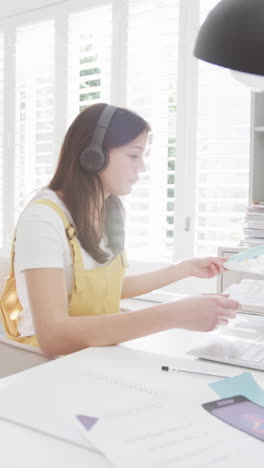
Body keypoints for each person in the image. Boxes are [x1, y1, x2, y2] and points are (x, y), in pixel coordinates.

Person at [0, 103, 239, 357]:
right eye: (134, 155)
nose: (142, 167)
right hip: (46, 364)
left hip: (93, 352)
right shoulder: (43, 219)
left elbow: (109, 287)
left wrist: (185, 268)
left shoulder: (108, 210)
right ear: (93, 156)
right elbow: (54, 337)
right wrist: (175, 314)